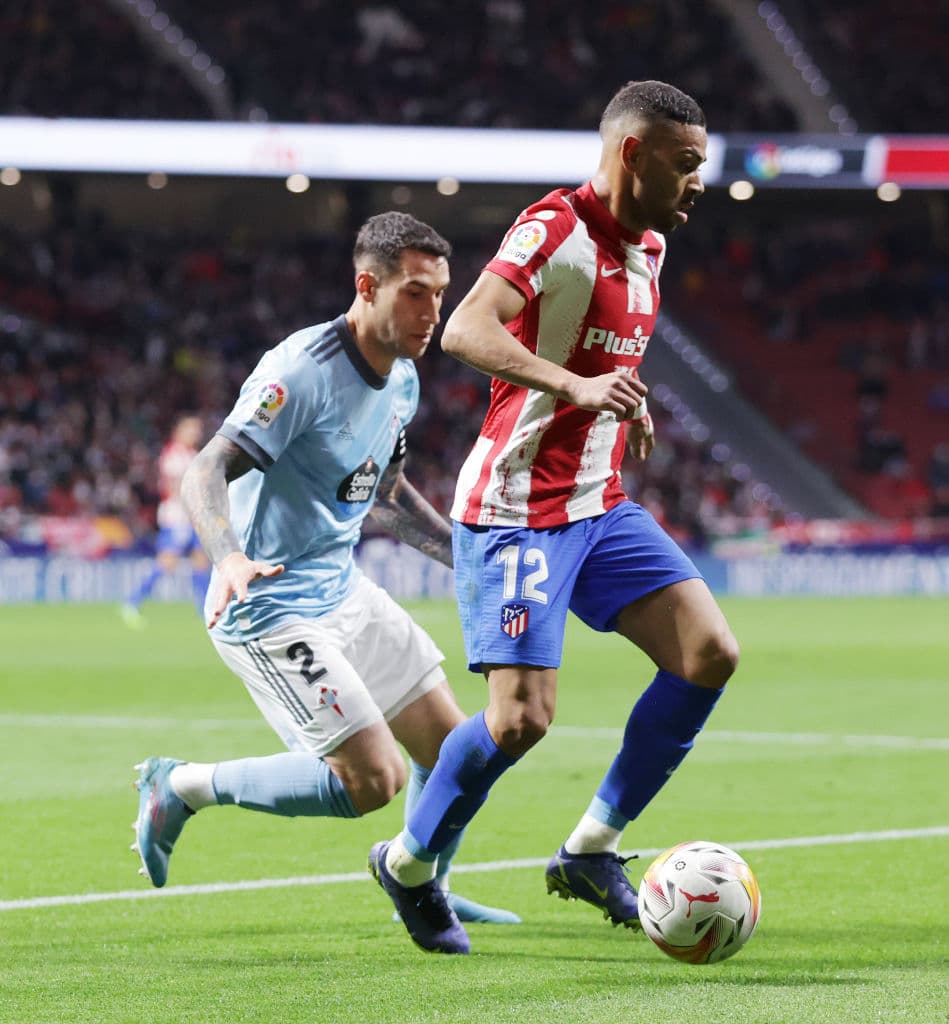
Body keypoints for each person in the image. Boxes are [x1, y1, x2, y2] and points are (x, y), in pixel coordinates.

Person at [369, 80, 739, 954]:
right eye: (685, 164)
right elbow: (465, 330)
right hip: (515, 508)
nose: (698, 182)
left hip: (597, 501)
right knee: (519, 721)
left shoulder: (650, 247)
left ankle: (589, 851)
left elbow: (605, 350)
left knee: (708, 653)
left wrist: (622, 402)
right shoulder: (552, 228)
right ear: (632, 154)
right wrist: (575, 386)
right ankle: (408, 865)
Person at [131, 211, 518, 932]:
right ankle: (180, 786)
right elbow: (204, 469)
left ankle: (422, 882)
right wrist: (229, 556)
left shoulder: (402, 379)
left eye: (440, 294)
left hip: (341, 589)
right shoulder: (300, 372)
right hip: (268, 602)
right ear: (367, 287)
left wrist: (472, 557)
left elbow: (386, 497)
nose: (433, 312)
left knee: (458, 752)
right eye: (415, 293)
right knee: (372, 780)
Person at [120, 414, 211, 627]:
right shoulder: (173, 454)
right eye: (191, 429)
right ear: (179, 431)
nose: (196, 433)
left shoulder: (192, 454)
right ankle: (133, 601)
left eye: (197, 429)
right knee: (167, 561)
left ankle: (205, 609)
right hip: (178, 516)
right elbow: (173, 487)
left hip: (193, 516)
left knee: (201, 560)